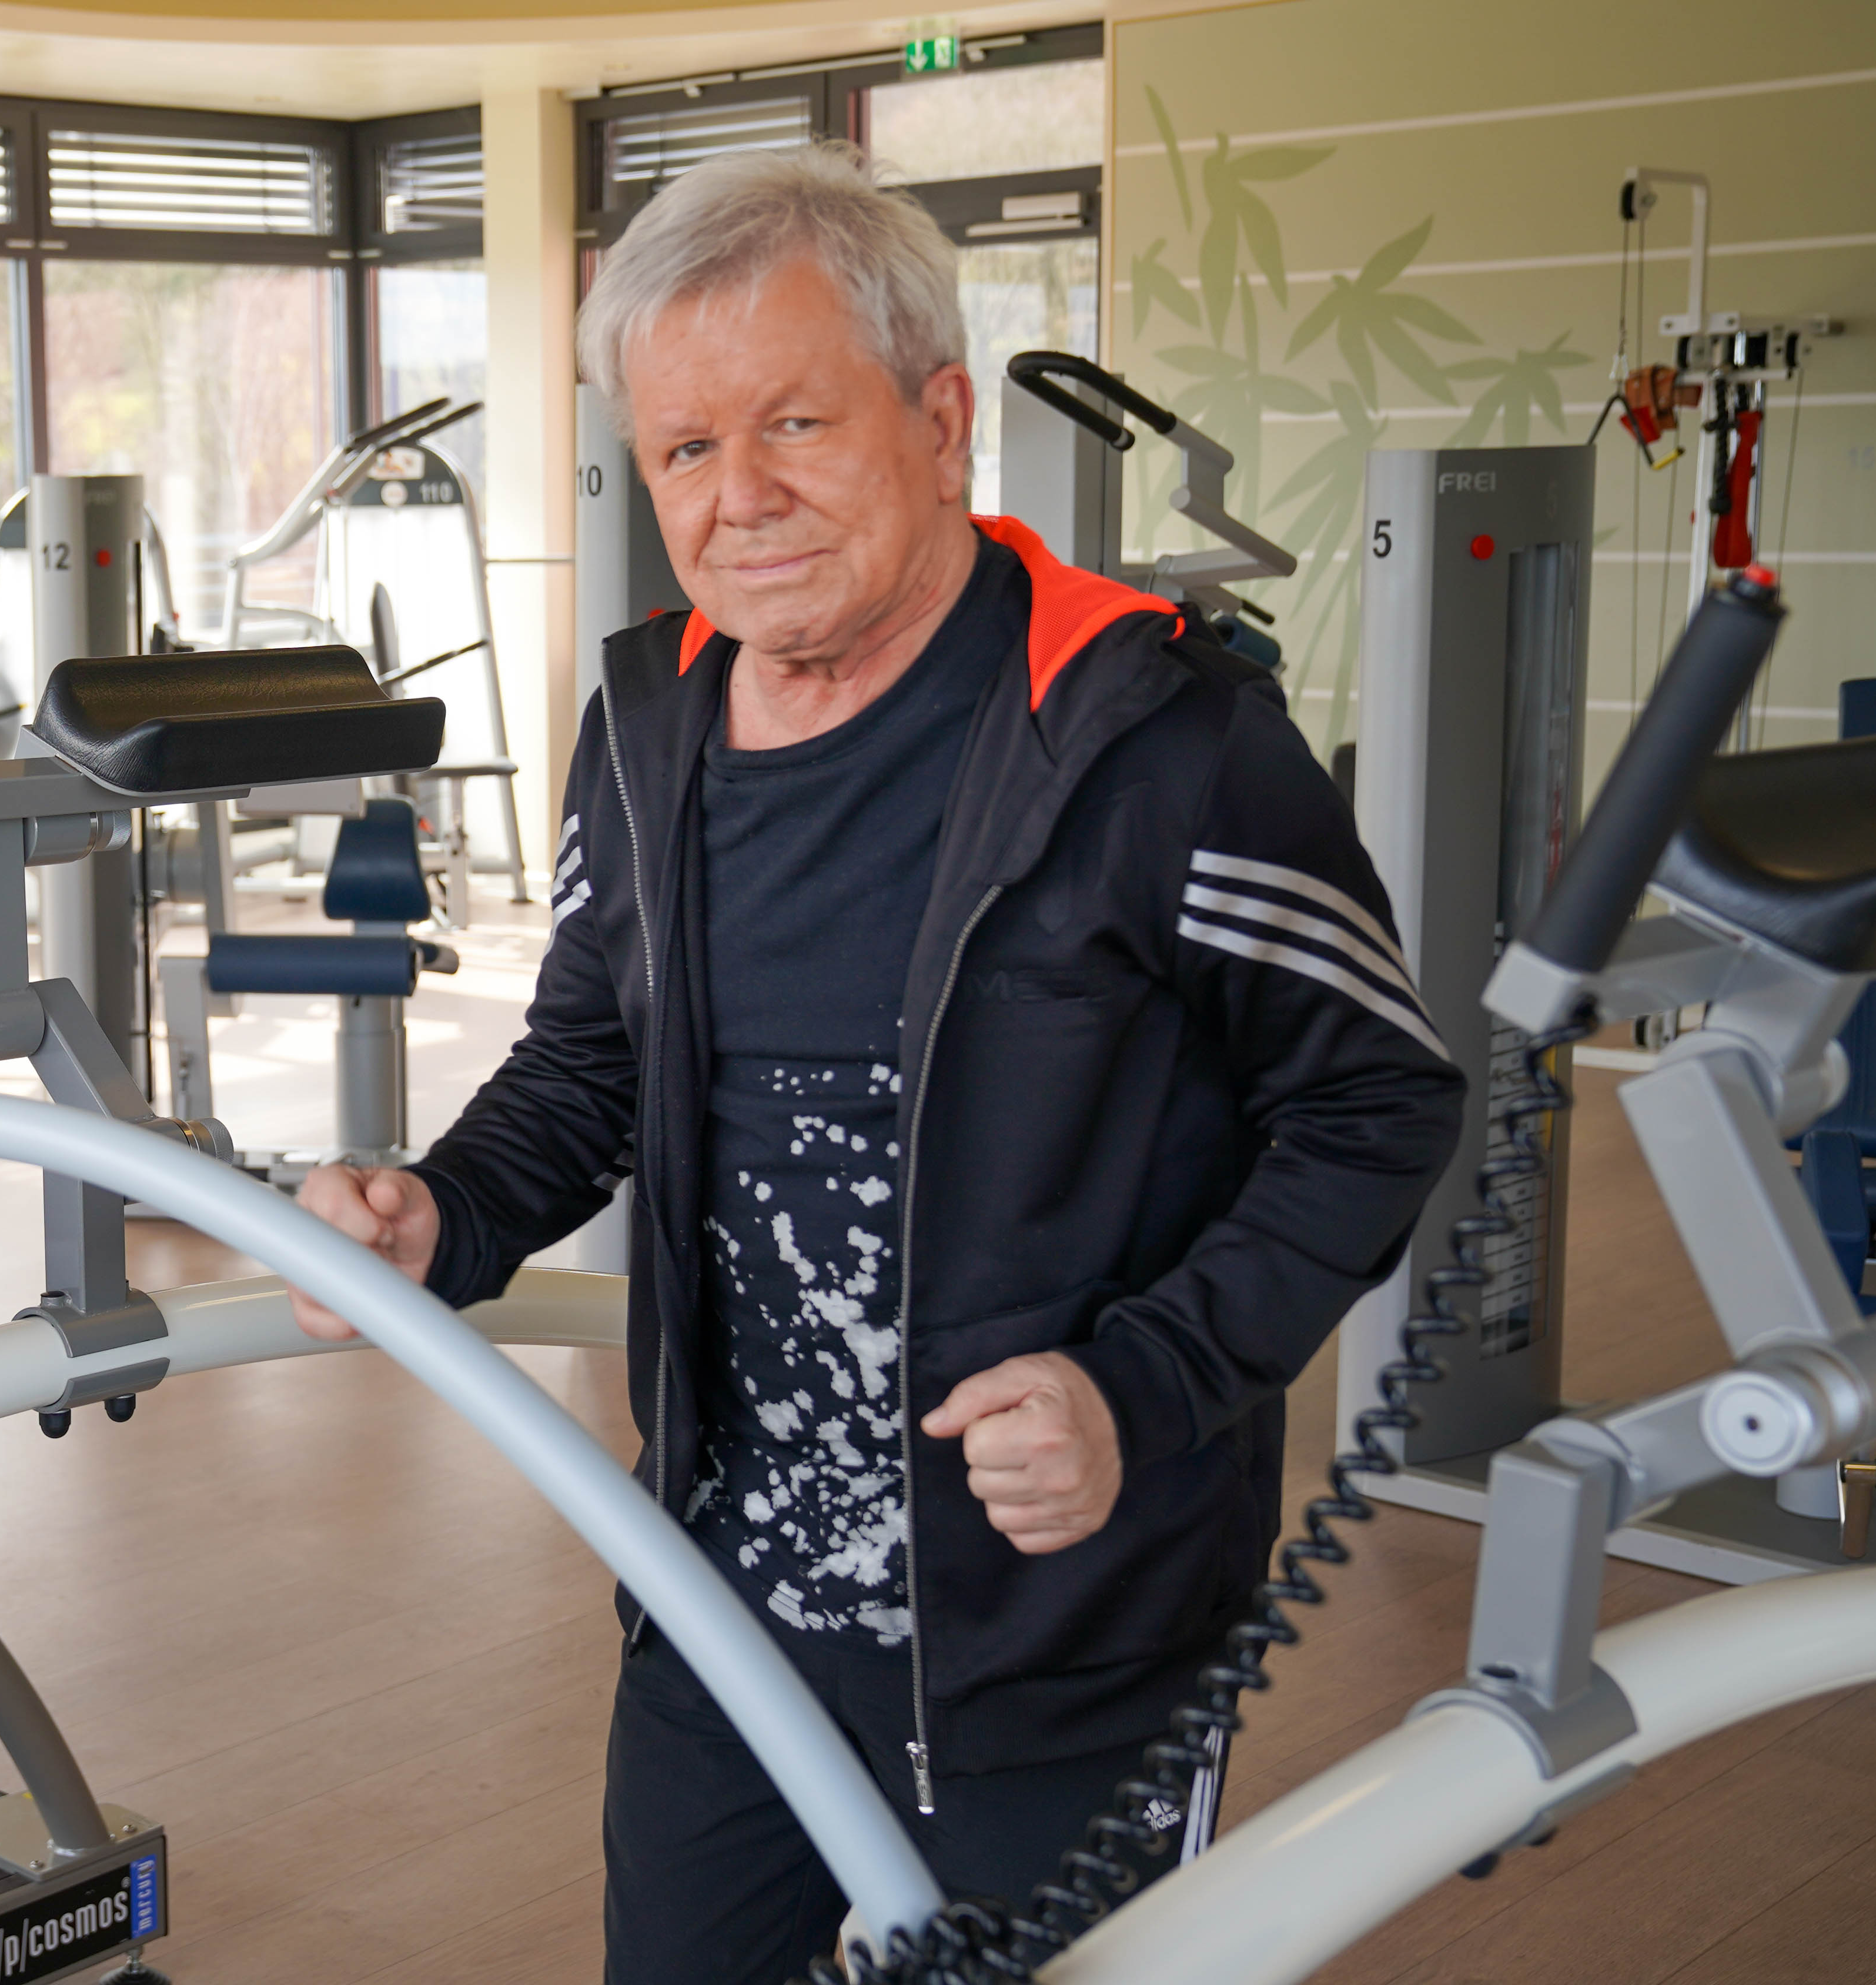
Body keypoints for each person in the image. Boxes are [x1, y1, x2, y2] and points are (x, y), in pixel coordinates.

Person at [289, 144, 1464, 1981]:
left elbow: (1375, 1100)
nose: (739, 496)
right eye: (686, 448)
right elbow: (589, 1063)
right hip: (717, 1613)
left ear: (940, 422)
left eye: (794, 425)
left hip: (1058, 1638)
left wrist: (1142, 1390)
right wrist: (444, 1211)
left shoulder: (1159, 742)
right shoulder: (650, 726)